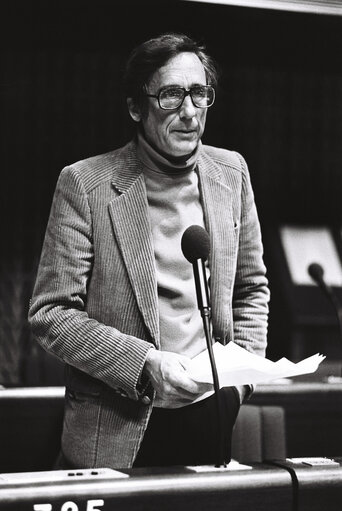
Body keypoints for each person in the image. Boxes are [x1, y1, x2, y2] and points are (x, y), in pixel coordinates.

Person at [28, 32, 269, 469]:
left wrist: (237, 383)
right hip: (116, 426)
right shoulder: (85, 184)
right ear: (136, 107)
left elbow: (252, 288)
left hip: (210, 416)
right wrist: (143, 364)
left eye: (199, 94)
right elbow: (52, 312)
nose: (189, 112)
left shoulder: (232, 172)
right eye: (171, 95)